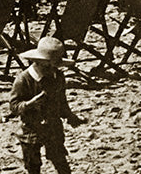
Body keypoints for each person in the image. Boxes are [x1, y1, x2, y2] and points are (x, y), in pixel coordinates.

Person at [8, 36, 85, 174]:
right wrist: (31, 104)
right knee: (33, 166)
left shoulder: (58, 77)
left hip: (53, 127)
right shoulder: (23, 80)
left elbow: (62, 102)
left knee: (60, 161)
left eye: (55, 66)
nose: (52, 70)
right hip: (31, 129)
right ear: (38, 62)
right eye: (48, 66)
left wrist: (70, 116)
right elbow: (14, 107)